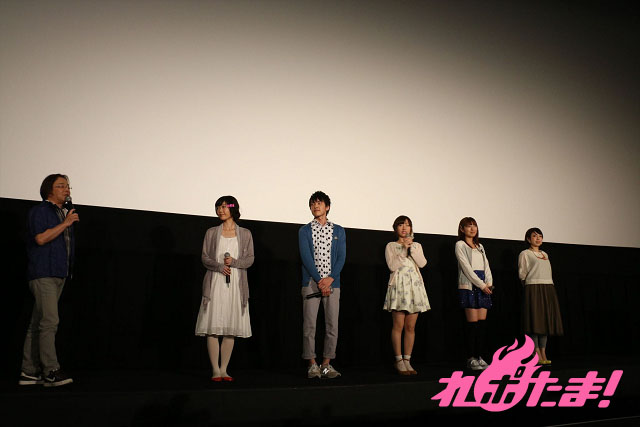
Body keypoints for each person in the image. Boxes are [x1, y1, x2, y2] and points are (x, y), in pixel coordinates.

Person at [20, 174, 78, 387]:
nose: (67, 190)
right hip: (44, 272)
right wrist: (66, 223)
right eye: (61, 186)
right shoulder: (41, 211)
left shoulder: (62, 213)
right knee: (50, 322)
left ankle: (28, 371)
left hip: (58, 273)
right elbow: (41, 238)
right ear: (49, 190)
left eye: (68, 186)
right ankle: (51, 370)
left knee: (38, 322)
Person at [195, 196, 254, 382]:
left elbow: (250, 259)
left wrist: (234, 262)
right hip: (215, 282)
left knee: (230, 327)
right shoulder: (212, 232)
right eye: (218, 207)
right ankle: (215, 370)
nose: (220, 210)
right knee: (212, 327)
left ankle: (224, 369)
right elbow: (205, 257)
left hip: (236, 284)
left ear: (232, 208)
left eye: (224, 206)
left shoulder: (245, 233)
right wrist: (219, 266)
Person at [299, 191, 346, 379]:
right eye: (313, 203)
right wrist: (320, 280)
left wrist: (330, 278)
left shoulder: (338, 230)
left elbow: (341, 257)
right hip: (311, 283)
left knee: (332, 325)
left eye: (319, 203)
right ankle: (312, 364)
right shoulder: (304, 231)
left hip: (333, 283)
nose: (315, 206)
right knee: (310, 325)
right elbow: (306, 257)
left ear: (327, 207)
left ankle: (326, 364)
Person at [383, 216, 430, 375]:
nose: (404, 228)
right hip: (399, 287)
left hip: (414, 288)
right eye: (401, 225)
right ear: (395, 228)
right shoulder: (391, 246)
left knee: (410, 327)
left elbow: (423, 263)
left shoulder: (417, 245)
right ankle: (398, 360)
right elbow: (392, 266)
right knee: (398, 326)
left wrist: (411, 248)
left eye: (408, 225)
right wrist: (403, 249)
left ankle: (408, 360)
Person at [518, 227, 563, 365]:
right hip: (533, 288)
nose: (538, 238)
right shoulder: (525, 254)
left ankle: (543, 352)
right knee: (535, 321)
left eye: (540, 236)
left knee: (545, 322)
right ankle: (535, 353)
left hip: (548, 287)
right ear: (528, 239)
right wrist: (529, 289)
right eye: (534, 236)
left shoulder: (545, 254)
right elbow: (522, 274)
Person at [455, 217, 493, 371]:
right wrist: (481, 285)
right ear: (462, 229)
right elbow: (466, 268)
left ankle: (480, 356)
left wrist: (489, 282)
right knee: (472, 325)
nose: (472, 229)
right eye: (469, 226)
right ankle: (471, 358)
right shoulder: (460, 244)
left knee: (481, 325)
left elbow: (486, 265)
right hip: (470, 285)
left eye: (474, 226)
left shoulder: (480, 246)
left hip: (483, 285)